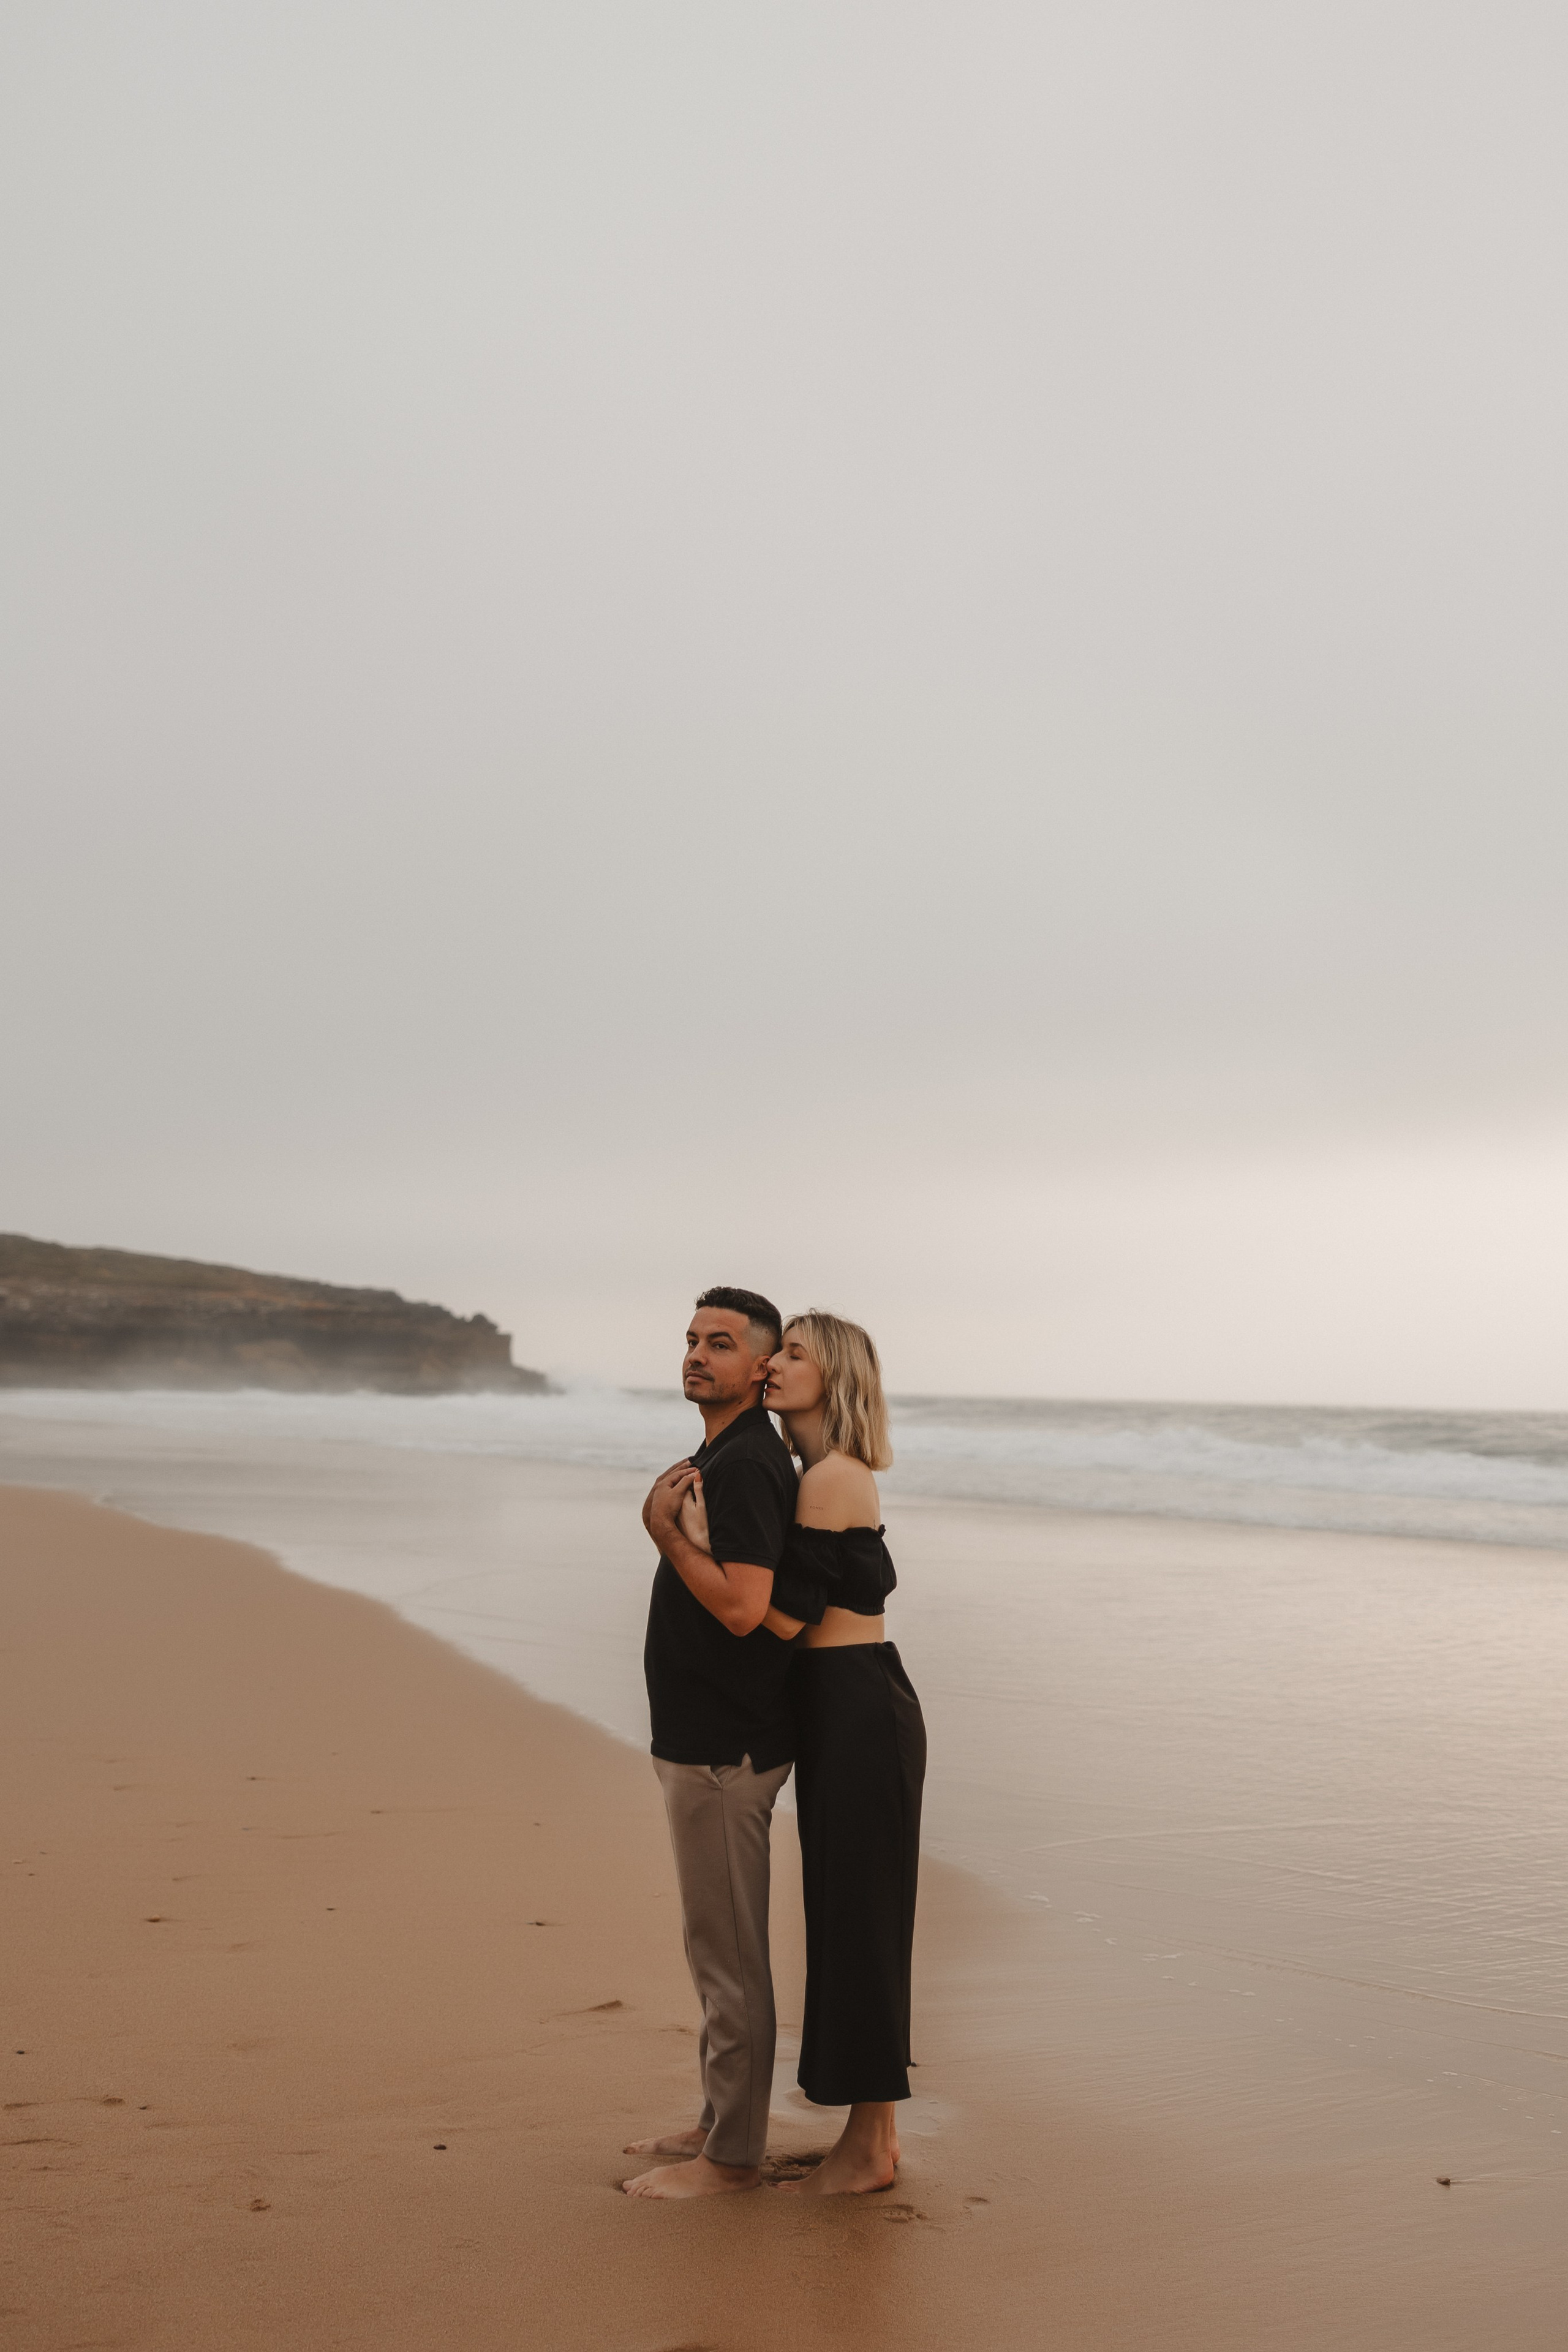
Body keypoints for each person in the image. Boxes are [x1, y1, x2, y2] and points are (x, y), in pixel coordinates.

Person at [677, 1310, 925, 2198]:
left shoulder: (833, 1479)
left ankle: (867, 2151)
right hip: (842, 1705)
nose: (774, 1365)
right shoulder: (812, 1472)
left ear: (837, 1378)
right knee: (858, 1917)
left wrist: (690, 1543)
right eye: (777, 1351)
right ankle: (874, 2141)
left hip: (856, 1705)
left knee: (860, 1923)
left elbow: (783, 1620)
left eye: (794, 1355)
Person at [622, 1286, 800, 2201]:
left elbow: (742, 1606)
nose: (696, 1355)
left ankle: (732, 2159)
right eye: (692, 1339)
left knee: (729, 1955)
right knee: (711, 1944)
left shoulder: (744, 1467)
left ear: (761, 1366)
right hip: (700, 1740)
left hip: (726, 1752)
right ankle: (714, 2119)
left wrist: (661, 1534)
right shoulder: (722, 1453)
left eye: (721, 1343)